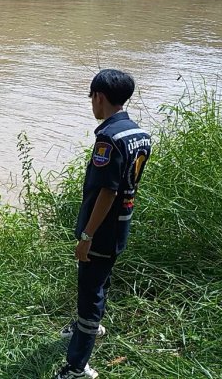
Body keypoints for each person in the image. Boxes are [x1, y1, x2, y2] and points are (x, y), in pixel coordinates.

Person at [55, 69, 152, 379]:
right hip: (121, 225)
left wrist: (86, 235)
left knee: (90, 292)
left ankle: (77, 366)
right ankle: (91, 325)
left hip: (102, 229)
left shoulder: (108, 138)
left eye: (91, 99)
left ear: (99, 97)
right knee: (100, 280)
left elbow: (108, 191)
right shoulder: (138, 134)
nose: (91, 106)